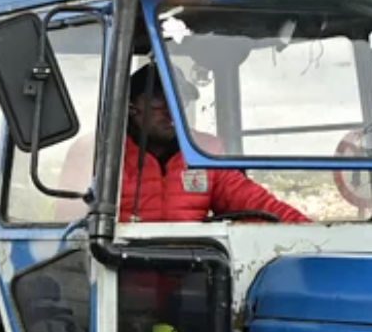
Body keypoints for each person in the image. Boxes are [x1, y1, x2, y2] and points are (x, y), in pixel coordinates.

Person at [119, 63, 311, 224]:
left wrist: (308, 232)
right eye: (158, 99)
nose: (172, 111)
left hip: (192, 265)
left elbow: (254, 203)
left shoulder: (204, 152)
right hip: (122, 265)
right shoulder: (110, 158)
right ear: (131, 107)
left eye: (180, 100)